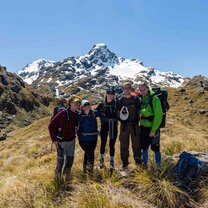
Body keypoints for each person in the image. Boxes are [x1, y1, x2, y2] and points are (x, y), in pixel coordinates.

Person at [48, 96, 81, 181]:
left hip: (72, 141)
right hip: (62, 141)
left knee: (70, 161)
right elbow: (51, 125)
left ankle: (67, 178)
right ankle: (57, 180)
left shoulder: (76, 114)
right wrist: (54, 140)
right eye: (75, 103)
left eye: (78, 104)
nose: (76, 105)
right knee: (60, 162)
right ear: (70, 103)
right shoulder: (62, 113)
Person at [117, 82, 142, 170]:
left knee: (136, 145)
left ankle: (138, 163)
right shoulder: (120, 101)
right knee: (123, 146)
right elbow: (117, 112)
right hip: (124, 126)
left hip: (134, 126)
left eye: (128, 88)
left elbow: (139, 110)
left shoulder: (136, 99)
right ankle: (124, 164)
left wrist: (138, 119)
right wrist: (121, 120)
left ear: (131, 89)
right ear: (122, 89)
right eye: (125, 88)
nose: (126, 90)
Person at [139, 82, 163, 168]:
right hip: (143, 128)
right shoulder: (142, 99)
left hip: (153, 128)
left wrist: (153, 130)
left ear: (148, 89)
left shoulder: (154, 99)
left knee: (156, 148)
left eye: (144, 89)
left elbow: (158, 116)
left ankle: (158, 166)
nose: (142, 91)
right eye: (140, 90)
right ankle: (145, 165)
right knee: (144, 148)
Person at [96, 86, 118, 172]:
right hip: (104, 126)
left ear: (114, 95)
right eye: (108, 93)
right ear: (106, 94)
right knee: (103, 143)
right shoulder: (101, 105)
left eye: (112, 94)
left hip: (114, 126)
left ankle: (112, 162)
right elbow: (94, 113)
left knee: (112, 144)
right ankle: (101, 160)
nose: (110, 95)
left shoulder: (117, 104)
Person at [78, 100, 101, 174]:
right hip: (83, 139)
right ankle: (90, 172)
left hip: (93, 139)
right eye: (85, 105)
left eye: (88, 104)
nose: (87, 106)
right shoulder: (79, 115)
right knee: (91, 155)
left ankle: (84, 171)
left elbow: (102, 112)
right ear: (82, 107)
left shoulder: (94, 113)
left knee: (87, 154)